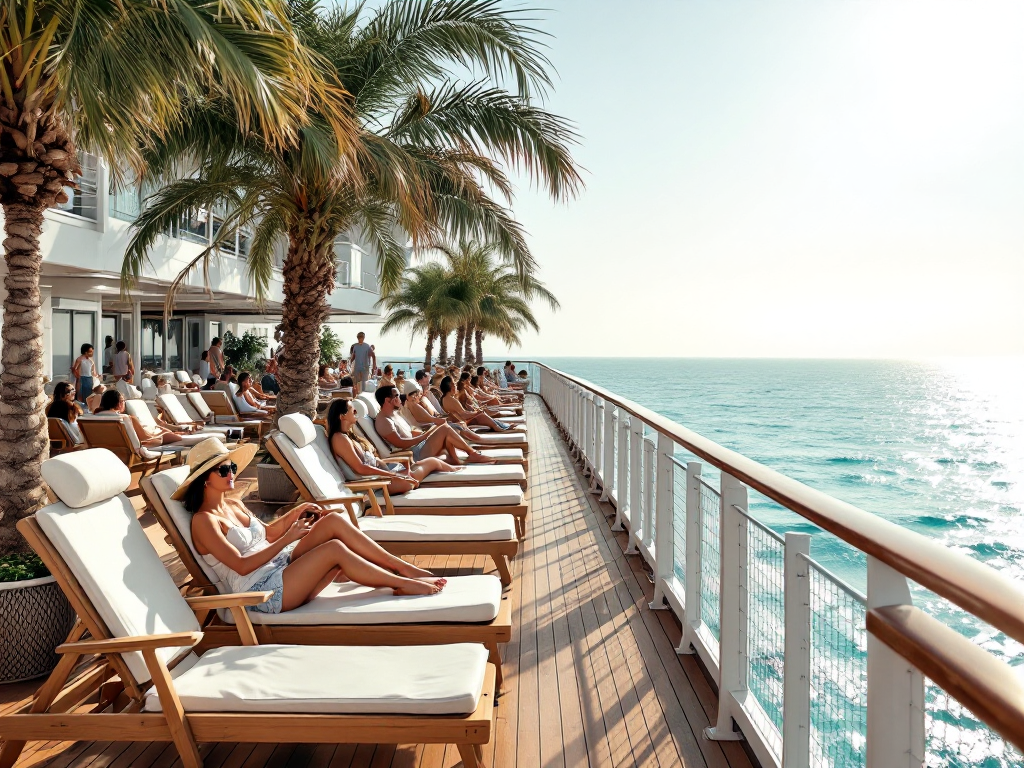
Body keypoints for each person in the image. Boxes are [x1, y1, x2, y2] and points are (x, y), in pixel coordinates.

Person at [173, 438, 445, 614]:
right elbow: (242, 566)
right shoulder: (204, 521)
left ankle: (401, 567)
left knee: (333, 522)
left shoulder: (234, 504)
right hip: (260, 591)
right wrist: (288, 537)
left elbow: (266, 533)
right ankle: (400, 582)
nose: (231, 473)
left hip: (280, 565)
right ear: (204, 480)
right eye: (223, 470)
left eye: (231, 467)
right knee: (333, 551)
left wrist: (296, 512)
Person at [327, 399, 461, 496]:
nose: (356, 413)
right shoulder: (339, 439)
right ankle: (457, 475)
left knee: (430, 462)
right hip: (377, 484)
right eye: (353, 410)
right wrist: (392, 474)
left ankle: (456, 474)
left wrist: (390, 469)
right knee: (430, 464)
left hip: (382, 475)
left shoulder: (348, 436)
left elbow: (371, 462)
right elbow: (360, 468)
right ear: (342, 416)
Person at [374, 385, 496, 465]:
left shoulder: (395, 414)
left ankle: (455, 459)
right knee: (444, 430)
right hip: (412, 454)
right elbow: (400, 443)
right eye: (396, 396)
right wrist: (425, 436)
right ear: (387, 400)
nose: (400, 398)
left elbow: (409, 433)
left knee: (445, 429)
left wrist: (426, 434)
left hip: (417, 446)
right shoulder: (384, 421)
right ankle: (472, 454)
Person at [95, 389, 183, 446]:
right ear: (119, 404)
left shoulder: (92, 419)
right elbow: (145, 438)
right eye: (123, 401)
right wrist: (164, 434)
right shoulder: (126, 419)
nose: (124, 403)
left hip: (106, 450)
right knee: (176, 438)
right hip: (130, 453)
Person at [441, 376, 522, 432]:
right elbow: (463, 415)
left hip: (462, 420)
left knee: (481, 413)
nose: (456, 386)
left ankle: (503, 425)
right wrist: (476, 413)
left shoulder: (446, 398)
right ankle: (500, 427)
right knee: (481, 415)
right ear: (451, 386)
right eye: (454, 384)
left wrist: (476, 412)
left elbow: (462, 413)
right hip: (462, 422)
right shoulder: (450, 399)